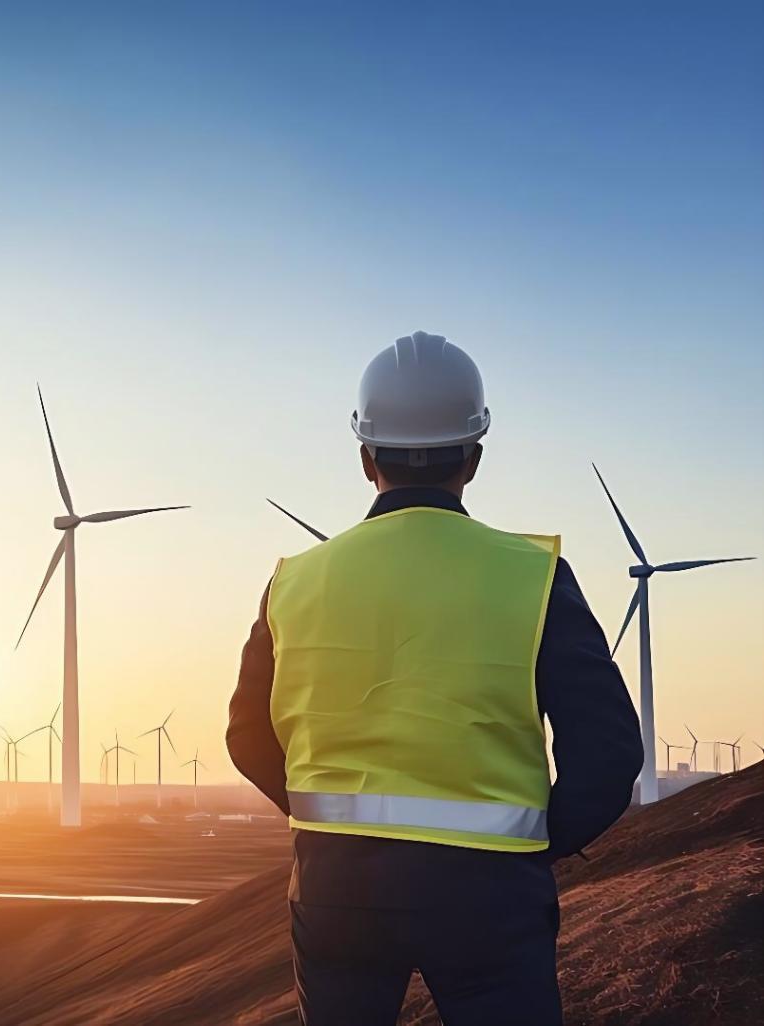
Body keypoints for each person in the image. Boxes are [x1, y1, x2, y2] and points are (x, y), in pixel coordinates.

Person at [226, 332, 643, 1026]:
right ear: (473, 457)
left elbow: (247, 737)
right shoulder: (533, 576)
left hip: (337, 890)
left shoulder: (295, 582)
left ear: (366, 457)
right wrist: (533, 844)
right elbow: (609, 752)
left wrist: (325, 823)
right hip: (490, 895)